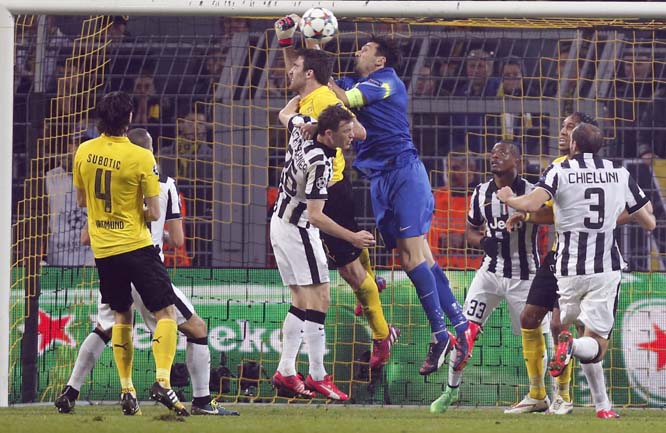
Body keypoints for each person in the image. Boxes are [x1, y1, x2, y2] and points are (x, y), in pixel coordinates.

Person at [56, 128, 238, 416]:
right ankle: (199, 399)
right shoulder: (166, 184)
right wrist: (159, 234)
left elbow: (84, 237)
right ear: (151, 151)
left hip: (112, 261)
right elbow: (178, 239)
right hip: (145, 265)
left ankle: (71, 389)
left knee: (105, 328)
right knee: (197, 329)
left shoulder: (114, 181)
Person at [328, 36, 471, 375]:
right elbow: (328, 88)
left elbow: (343, 98)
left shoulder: (386, 81)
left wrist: (320, 63)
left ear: (380, 60)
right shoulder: (358, 80)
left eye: (366, 48)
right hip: (380, 181)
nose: (358, 51)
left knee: (411, 258)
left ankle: (441, 336)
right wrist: (312, 53)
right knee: (422, 258)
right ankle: (462, 329)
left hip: (403, 173)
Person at [497, 122, 656, 418]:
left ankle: (602, 406)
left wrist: (509, 198)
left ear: (573, 145)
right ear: (600, 146)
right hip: (604, 268)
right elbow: (649, 222)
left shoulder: (560, 170)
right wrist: (619, 214)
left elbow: (533, 202)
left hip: (567, 267)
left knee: (564, 325)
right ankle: (571, 351)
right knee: (596, 343)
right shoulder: (619, 173)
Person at [275, 17, 399, 370]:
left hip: (329, 193)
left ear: (309, 74)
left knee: (350, 274)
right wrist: (287, 43)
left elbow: (357, 131)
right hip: (324, 188)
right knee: (355, 268)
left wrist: (333, 130)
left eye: (297, 67)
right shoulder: (309, 96)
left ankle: (381, 335)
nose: (291, 71)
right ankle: (371, 287)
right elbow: (299, 83)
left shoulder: (324, 98)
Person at [72, 91, 187, 416]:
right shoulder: (140, 157)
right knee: (166, 313)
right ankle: (163, 382)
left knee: (121, 316)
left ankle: (127, 389)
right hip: (136, 247)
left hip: (104, 251)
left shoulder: (84, 151)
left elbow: (82, 201)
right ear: (129, 119)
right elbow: (152, 212)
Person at [269, 103, 375, 400]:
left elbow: (283, 113)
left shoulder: (302, 128)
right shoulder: (321, 163)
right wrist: (352, 237)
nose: (352, 134)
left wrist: (312, 122)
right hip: (299, 228)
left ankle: (287, 371)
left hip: (279, 222)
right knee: (321, 297)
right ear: (329, 134)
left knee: (302, 299)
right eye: (346, 131)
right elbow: (316, 215)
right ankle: (318, 375)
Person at [430, 142, 544, 414]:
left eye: (503, 153)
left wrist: (525, 215)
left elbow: (548, 216)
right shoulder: (481, 193)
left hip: (524, 277)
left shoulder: (533, 192)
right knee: (464, 332)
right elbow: (470, 230)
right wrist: (483, 243)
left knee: (536, 337)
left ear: (518, 159)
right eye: (493, 154)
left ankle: (542, 394)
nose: (495, 157)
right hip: (489, 273)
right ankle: (450, 392)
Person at [45, 142, 95, 266]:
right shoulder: (51, 177)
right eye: (77, 144)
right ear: (69, 146)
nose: (81, 149)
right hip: (59, 258)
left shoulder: (101, 175)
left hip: (91, 261)